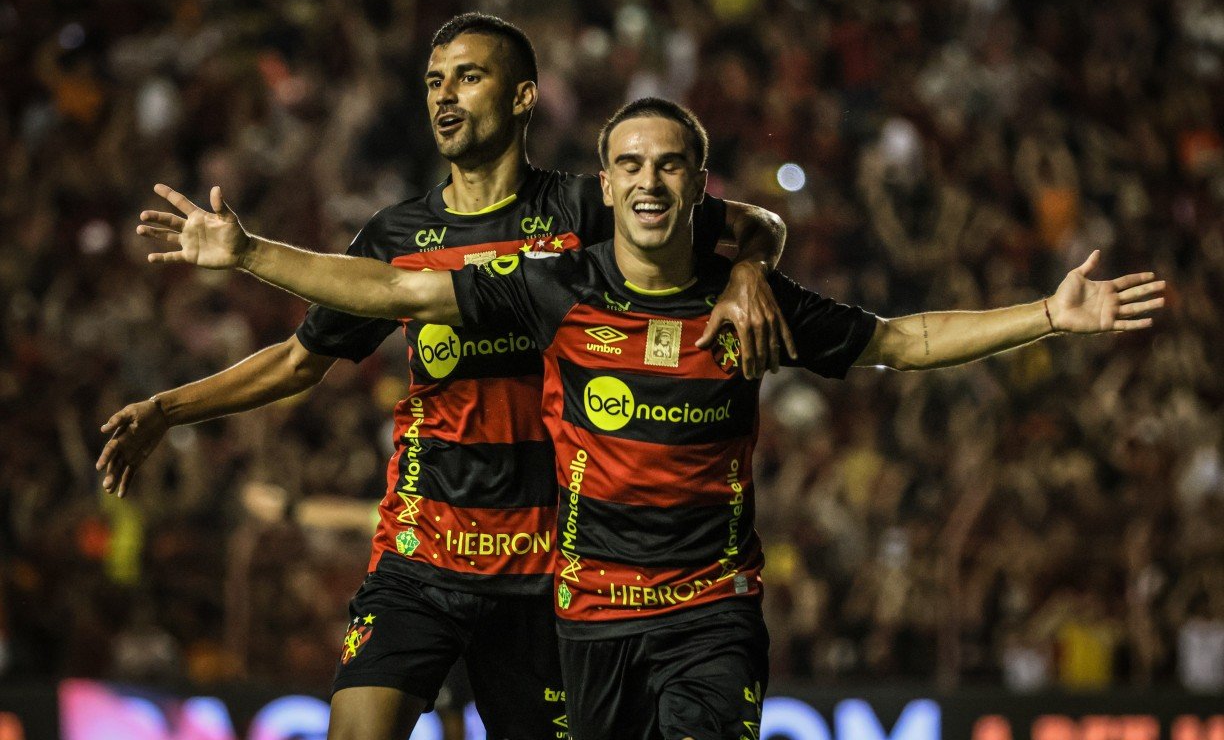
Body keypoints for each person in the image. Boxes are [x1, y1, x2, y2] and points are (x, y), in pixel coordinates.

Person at [134, 97, 1164, 740]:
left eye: (669, 164)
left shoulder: (748, 302)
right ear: (606, 183)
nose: (648, 181)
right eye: (629, 165)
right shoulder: (555, 286)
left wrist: (1047, 316)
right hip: (584, 614)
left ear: (697, 183)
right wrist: (253, 252)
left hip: (707, 611)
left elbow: (901, 339)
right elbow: (401, 295)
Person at [97, 15, 793, 740]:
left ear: (524, 97)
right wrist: (167, 408)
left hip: (547, 571)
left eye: (469, 76)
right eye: (434, 81)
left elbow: (759, 225)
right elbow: (301, 359)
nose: (445, 96)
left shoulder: (591, 209)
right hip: (421, 554)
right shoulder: (395, 237)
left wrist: (747, 273)